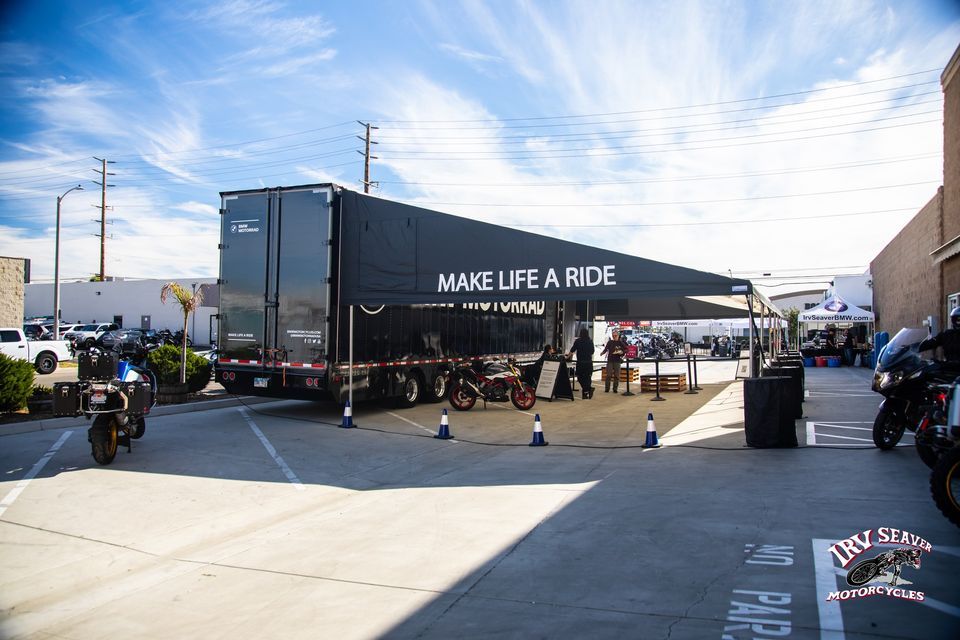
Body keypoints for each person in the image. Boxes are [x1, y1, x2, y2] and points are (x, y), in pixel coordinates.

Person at [567, 328, 595, 399]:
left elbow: (572, 350)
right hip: (588, 362)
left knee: (579, 377)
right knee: (588, 378)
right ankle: (588, 390)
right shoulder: (590, 341)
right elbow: (592, 351)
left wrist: (567, 357)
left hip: (580, 362)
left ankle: (586, 393)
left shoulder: (578, 341)